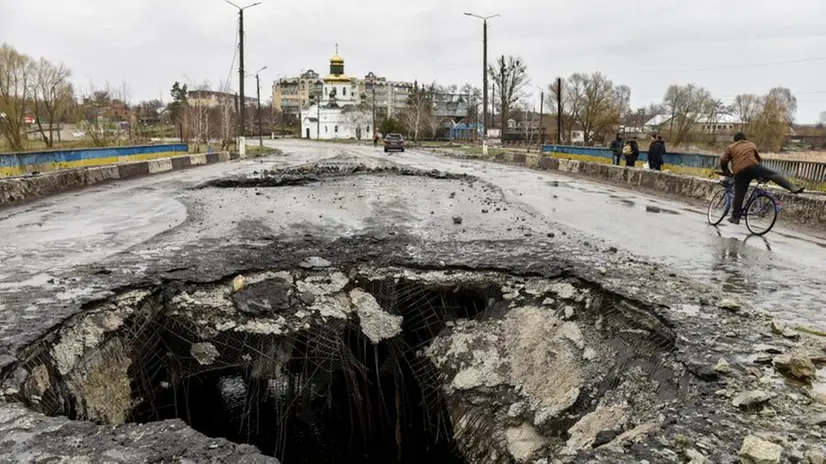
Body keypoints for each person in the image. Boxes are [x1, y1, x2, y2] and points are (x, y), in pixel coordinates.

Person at [721, 132, 804, 225]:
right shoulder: (751, 145)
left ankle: (735, 217)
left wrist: (726, 171)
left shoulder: (731, 147)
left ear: (735, 140)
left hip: (741, 172)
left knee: (739, 195)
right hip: (754, 167)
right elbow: (758, 159)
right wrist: (759, 172)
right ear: (745, 139)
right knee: (773, 175)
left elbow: (723, 160)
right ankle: (792, 187)